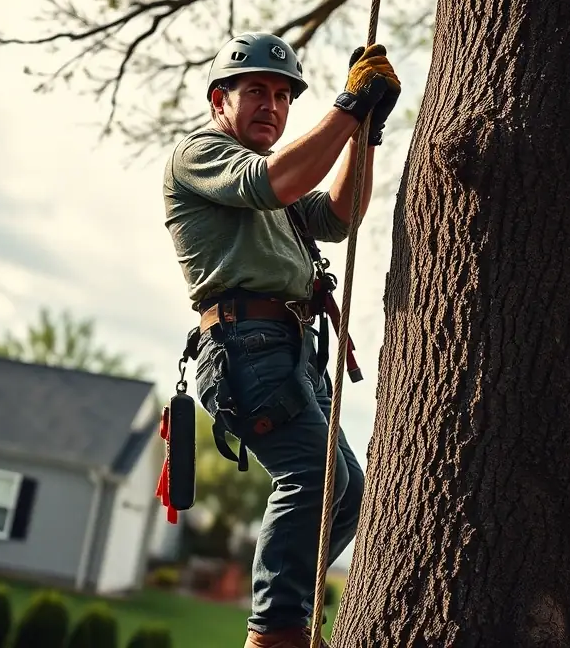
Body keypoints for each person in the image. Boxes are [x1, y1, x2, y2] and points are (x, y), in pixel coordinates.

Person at [162, 32, 401, 648]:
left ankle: (289, 611)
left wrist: (363, 132)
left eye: (282, 95)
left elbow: (341, 214)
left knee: (347, 494)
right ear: (220, 101)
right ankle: (274, 631)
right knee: (311, 476)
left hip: (293, 352)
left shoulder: (282, 189)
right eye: (255, 92)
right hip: (247, 348)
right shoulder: (205, 156)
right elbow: (277, 181)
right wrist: (348, 105)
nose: (271, 105)